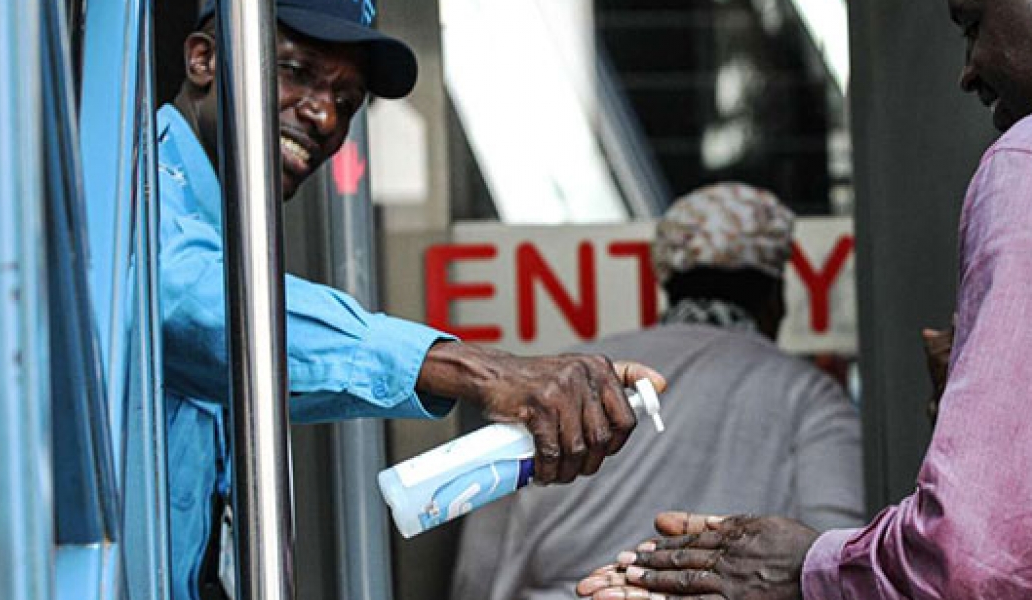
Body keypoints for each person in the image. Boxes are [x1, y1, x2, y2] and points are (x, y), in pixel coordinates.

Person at [579, 1, 1032, 598]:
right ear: (775, 293)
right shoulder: (804, 397)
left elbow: (979, 557)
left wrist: (803, 567)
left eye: (973, 25)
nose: (968, 70)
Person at [156, 1, 665, 599]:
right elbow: (189, 305)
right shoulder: (138, 180)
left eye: (347, 103)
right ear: (204, 60)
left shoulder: (226, 227)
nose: (323, 116)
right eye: (294, 72)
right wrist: (476, 370)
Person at [451, 183, 864, 600]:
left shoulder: (567, 377)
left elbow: (482, 559)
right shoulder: (806, 392)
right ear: (775, 297)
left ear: (667, 284)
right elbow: (831, 553)